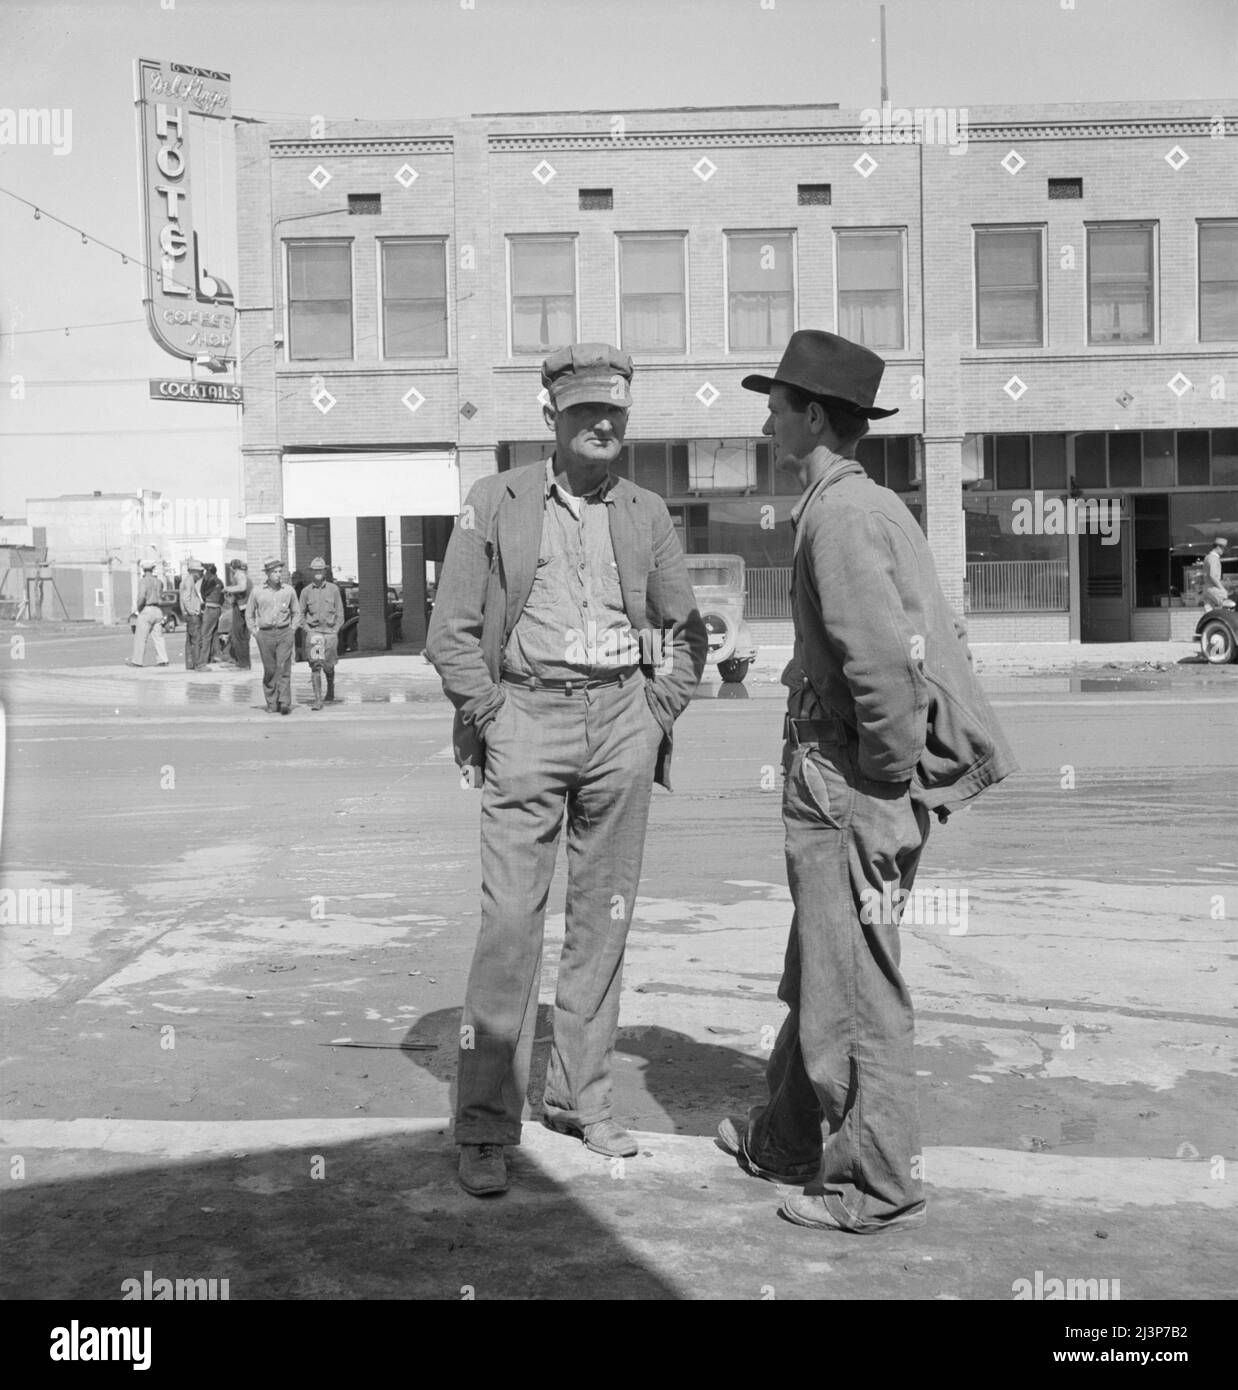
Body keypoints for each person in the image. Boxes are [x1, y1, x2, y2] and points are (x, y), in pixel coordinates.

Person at [716, 330, 1017, 1234]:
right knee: (823, 964)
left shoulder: (842, 515)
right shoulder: (858, 503)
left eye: (776, 407)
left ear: (813, 416)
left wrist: (877, 785)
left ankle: (872, 1185)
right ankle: (784, 1141)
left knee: (855, 986)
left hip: (847, 780)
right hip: (843, 775)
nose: (768, 422)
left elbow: (882, 670)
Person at [426, 342, 707, 1198]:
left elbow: (684, 629)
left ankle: (580, 1100)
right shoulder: (493, 501)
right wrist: (492, 717)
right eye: (586, 412)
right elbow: (450, 633)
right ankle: (482, 1125)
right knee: (510, 925)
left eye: (615, 413)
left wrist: (655, 710)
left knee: (603, 923)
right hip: (526, 720)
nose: (603, 426)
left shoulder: (646, 511)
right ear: (551, 418)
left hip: (621, 718)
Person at [246, 558, 301, 714]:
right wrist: (254, 632)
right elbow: (249, 614)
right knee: (270, 669)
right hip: (265, 634)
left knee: (283, 667)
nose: (278, 575)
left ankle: (284, 702)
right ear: (268, 574)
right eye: (274, 572)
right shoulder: (257, 591)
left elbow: (297, 612)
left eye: (279, 572)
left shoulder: (288, 590)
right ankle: (272, 702)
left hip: (284, 632)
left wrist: (293, 629)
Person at [299, 556, 344, 709]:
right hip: (315, 633)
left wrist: (335, 631)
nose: (318, 572)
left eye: (320, 569)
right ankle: (318, 700)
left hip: (330, 633)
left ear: (325, 571)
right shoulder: (306, 592)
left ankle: (330, 690)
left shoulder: (333, 589)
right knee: (315, 665)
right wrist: (308, 630)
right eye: (315, 570)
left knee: (328, 665)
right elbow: (300, 614)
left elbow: (340, 614)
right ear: (311, 572)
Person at [127, 561, 169, 668]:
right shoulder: (159, 582)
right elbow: (161, 595)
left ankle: (137, 661)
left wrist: (139, 608)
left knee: (141, 637)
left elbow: (142, 597)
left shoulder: (143, 582)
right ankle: (163, 660)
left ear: (143, 570)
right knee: (158, 637)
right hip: (158, 610)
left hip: (147, 609)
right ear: (153, 569)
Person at [225, 560, 253, 668]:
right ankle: (244, 663)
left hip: (241, 608)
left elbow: (242, 587)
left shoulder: (238, 575)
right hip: (245, 607)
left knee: (239, 636)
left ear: (232, 568)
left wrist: (228, 589)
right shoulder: (245, 576)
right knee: (243, 636)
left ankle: (243, 664)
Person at [179, 558, 204, 671]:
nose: (201, 574)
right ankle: (198, 664)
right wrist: (192, 611)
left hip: (189, 615)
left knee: (190, 641)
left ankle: (190, 664)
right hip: (192, 615)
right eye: (199, 571)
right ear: (194, 571)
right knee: (196, 640)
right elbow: (186, 599)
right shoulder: (189, 581)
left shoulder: (186, 580)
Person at [1200, 536, 1233, 610]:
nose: (1223, 551)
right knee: (1228, 604)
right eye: (1223, 548)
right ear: (1218, 547)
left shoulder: (1207, 557)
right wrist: (1222, 588)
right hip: (1212, 588)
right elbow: (1213, 576)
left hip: (1207, 589)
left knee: (1210, 612)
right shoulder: (1213, 558)